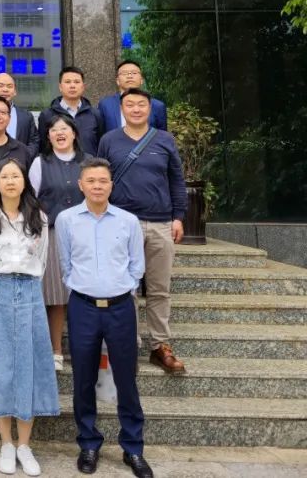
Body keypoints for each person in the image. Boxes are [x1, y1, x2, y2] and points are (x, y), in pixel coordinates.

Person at [56, 159, 152, 478]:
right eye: (91, 180)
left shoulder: (128, 221)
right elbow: (65, 264)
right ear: (81, 185)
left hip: (120, 307)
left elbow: (137, 266)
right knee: (83, 377)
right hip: (83, 307)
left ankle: (133, 447)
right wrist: (82, 286)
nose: (97, 186)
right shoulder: (67, 220)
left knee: (126, 377)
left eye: (103, 181)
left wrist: (123, 287)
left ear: (111, 185)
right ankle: (88, 443)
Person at [0, 159, 59, 477]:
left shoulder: (39, 217)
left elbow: (42, 261)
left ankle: (25, 445)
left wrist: (24, 284)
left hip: (30, 292)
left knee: (28, 367)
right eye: (4, 176)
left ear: (24, 182)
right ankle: (6, 443)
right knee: (0, 366)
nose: (10, 181)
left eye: (15, 176)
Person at [97, 88, 187, 376]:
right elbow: (101, 181)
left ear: (150, 109)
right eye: (130, 104)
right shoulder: (109, 140)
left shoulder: (164, 139)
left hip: (160, 223)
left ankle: (160, 345)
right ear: (122, 109)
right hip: (122, 224)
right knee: (126, 288)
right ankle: (129, 345)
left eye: (141, 105)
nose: (136, 109)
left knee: (159, 288)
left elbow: (176, 180)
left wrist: (178, 217)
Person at [29, 113, 90, 370]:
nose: (60, 133)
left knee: (85, 292)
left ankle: (85, 348)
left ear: (74, 133)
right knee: (55, 294)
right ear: (48, 136)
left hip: (86, 234)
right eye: (54, 130)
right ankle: (55, 350)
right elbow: (31, 200)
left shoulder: (89, 162)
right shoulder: (39, 163)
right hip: (52, 233)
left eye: (65, 128)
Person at [37, 66, 103, 156]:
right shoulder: (47, 115)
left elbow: (100, 145)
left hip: (88, 164)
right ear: (60, 87)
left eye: (77, 82)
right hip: (57, 164)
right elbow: (43, 146)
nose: (72, 86)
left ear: (83, 86)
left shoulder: (95, 114)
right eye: (67, 82)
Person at [96, 61, 168, 135]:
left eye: (134, 73)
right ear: (117, 81)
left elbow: (162, 136)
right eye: (124, 73)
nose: (129, 76)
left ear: (141, 80)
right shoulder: (105, 105)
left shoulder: (157, 105)